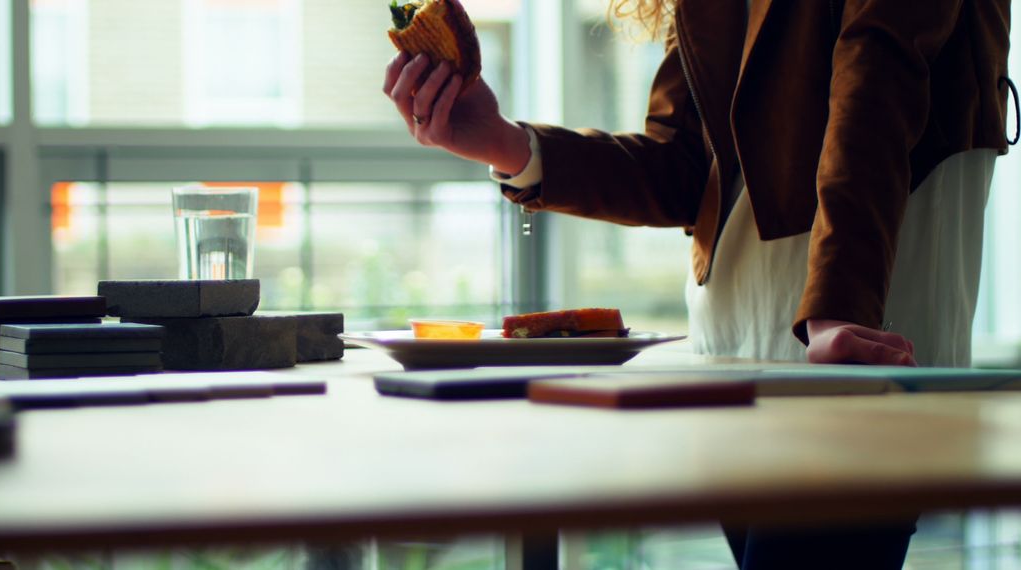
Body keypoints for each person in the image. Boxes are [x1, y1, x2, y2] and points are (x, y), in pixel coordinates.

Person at [384, 0, 1013, 568]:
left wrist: (840, 308)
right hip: (736, 347)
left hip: (855, 337)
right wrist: (506, 143)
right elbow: (685, 161)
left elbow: (877, 85)